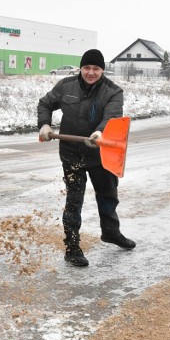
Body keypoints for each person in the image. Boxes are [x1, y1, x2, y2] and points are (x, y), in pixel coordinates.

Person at [37, 49, 135, 267]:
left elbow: (112, 115)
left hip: (101, 153)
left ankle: (111, 232)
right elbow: (45, 104)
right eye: (87, 68)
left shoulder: (113, 91)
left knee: (108, 195)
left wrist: (101, 132)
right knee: (74, 200)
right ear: (81, 68)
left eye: (96, 69)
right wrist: (44, 124)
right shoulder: (66, 86)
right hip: (72, 153)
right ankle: (72, 248)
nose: (91, 72)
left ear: (102, 70)